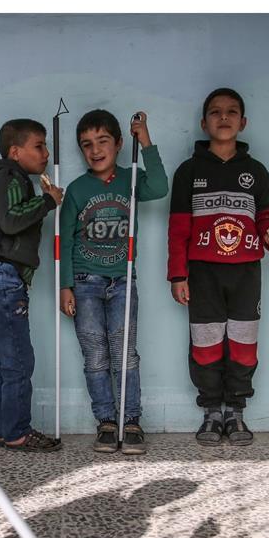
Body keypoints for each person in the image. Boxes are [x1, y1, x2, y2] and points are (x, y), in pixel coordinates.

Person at [166, 88, 269, 447]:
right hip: (202, 272)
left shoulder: (257, 172)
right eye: (216, 112)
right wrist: (178, 274)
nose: (224, 117)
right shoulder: (188, 172)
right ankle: (211, 411)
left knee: (243, 345)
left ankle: (235, 410)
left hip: (246, 273)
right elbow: (178, 229)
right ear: (204, 122)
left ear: (243, 122)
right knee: (205, 345)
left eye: (232, 111)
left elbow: (264, 221)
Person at [58, 109, 168, 454]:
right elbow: (65, 241)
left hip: (122, 281)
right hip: (84, 281)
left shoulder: (132, 180)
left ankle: (130, 421)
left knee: (125, 355)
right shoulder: (77, 189)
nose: (95, 149)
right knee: (95, 357)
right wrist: (65, 286)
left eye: (103, 141)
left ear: (119, 144)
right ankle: (106, 421)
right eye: (86, 144)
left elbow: (161, 187)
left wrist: (145, 139)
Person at [0, 119, 65, 452]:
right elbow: (10, 221)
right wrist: (48, 201)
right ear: (16, 152)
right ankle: (17, 432)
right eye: (39, 146)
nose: (46, 153)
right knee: (18, 361)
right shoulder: (11, 178)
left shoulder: (4, 179)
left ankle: (6, 431)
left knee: (7, 360)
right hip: (4, 280)